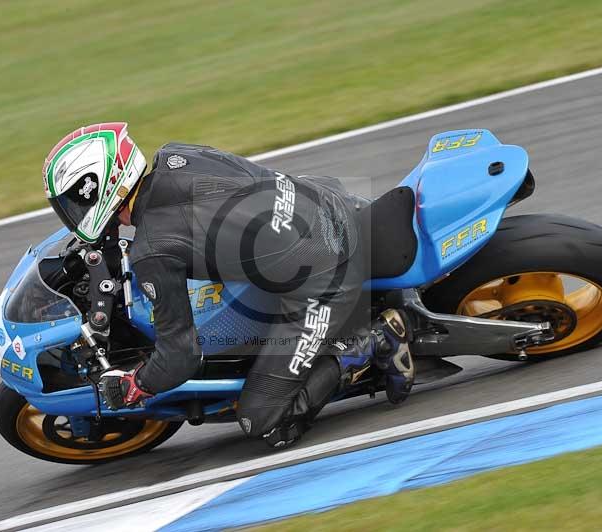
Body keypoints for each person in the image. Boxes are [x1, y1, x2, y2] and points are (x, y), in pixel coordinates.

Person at [43, 122, 415, 448]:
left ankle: (371, 341)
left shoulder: (152, 251)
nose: (71, 214)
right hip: (329, 201)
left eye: (73, 203)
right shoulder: (176, 155)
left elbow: (181, 357)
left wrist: (135, 384)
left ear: (99, 188)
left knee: (262, 420)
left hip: (330, 273)